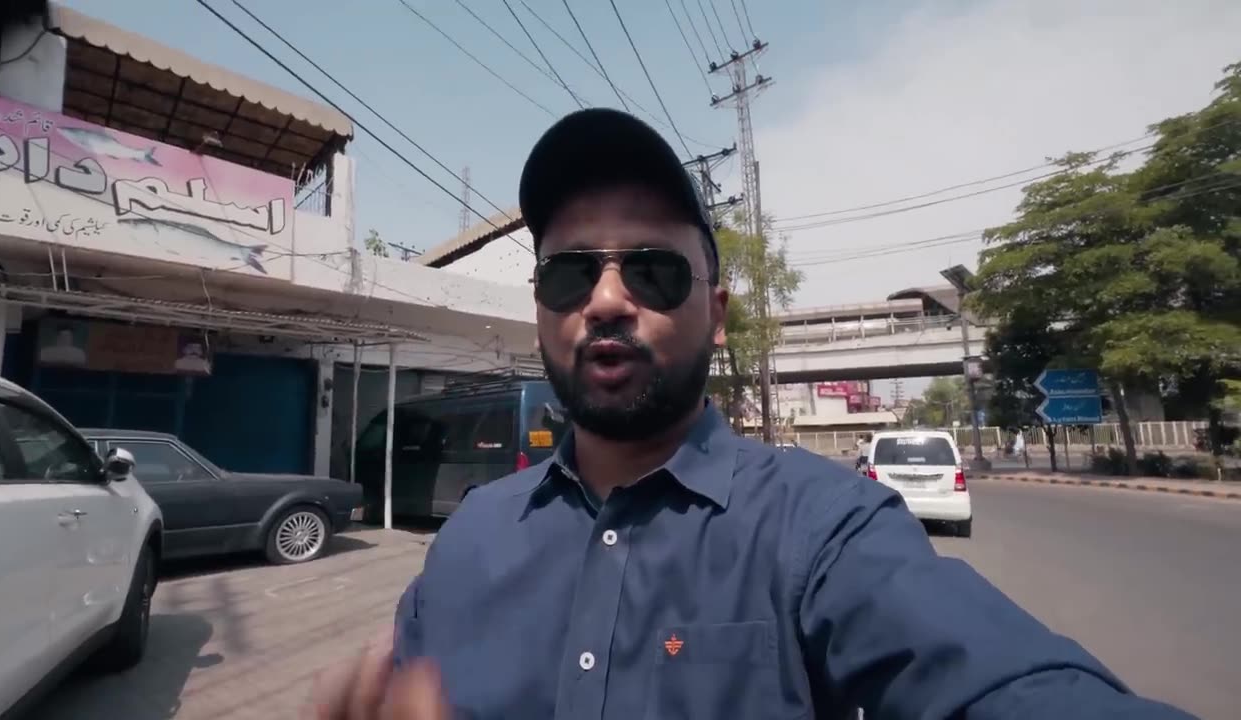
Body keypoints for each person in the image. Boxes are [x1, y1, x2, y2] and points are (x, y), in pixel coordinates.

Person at [309, 109, 1194, 720]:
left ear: (718, 312)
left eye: (652, 270)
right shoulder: (470, 538)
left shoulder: (827, 531)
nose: (608, 298)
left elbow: (997, 682)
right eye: (571, 272)